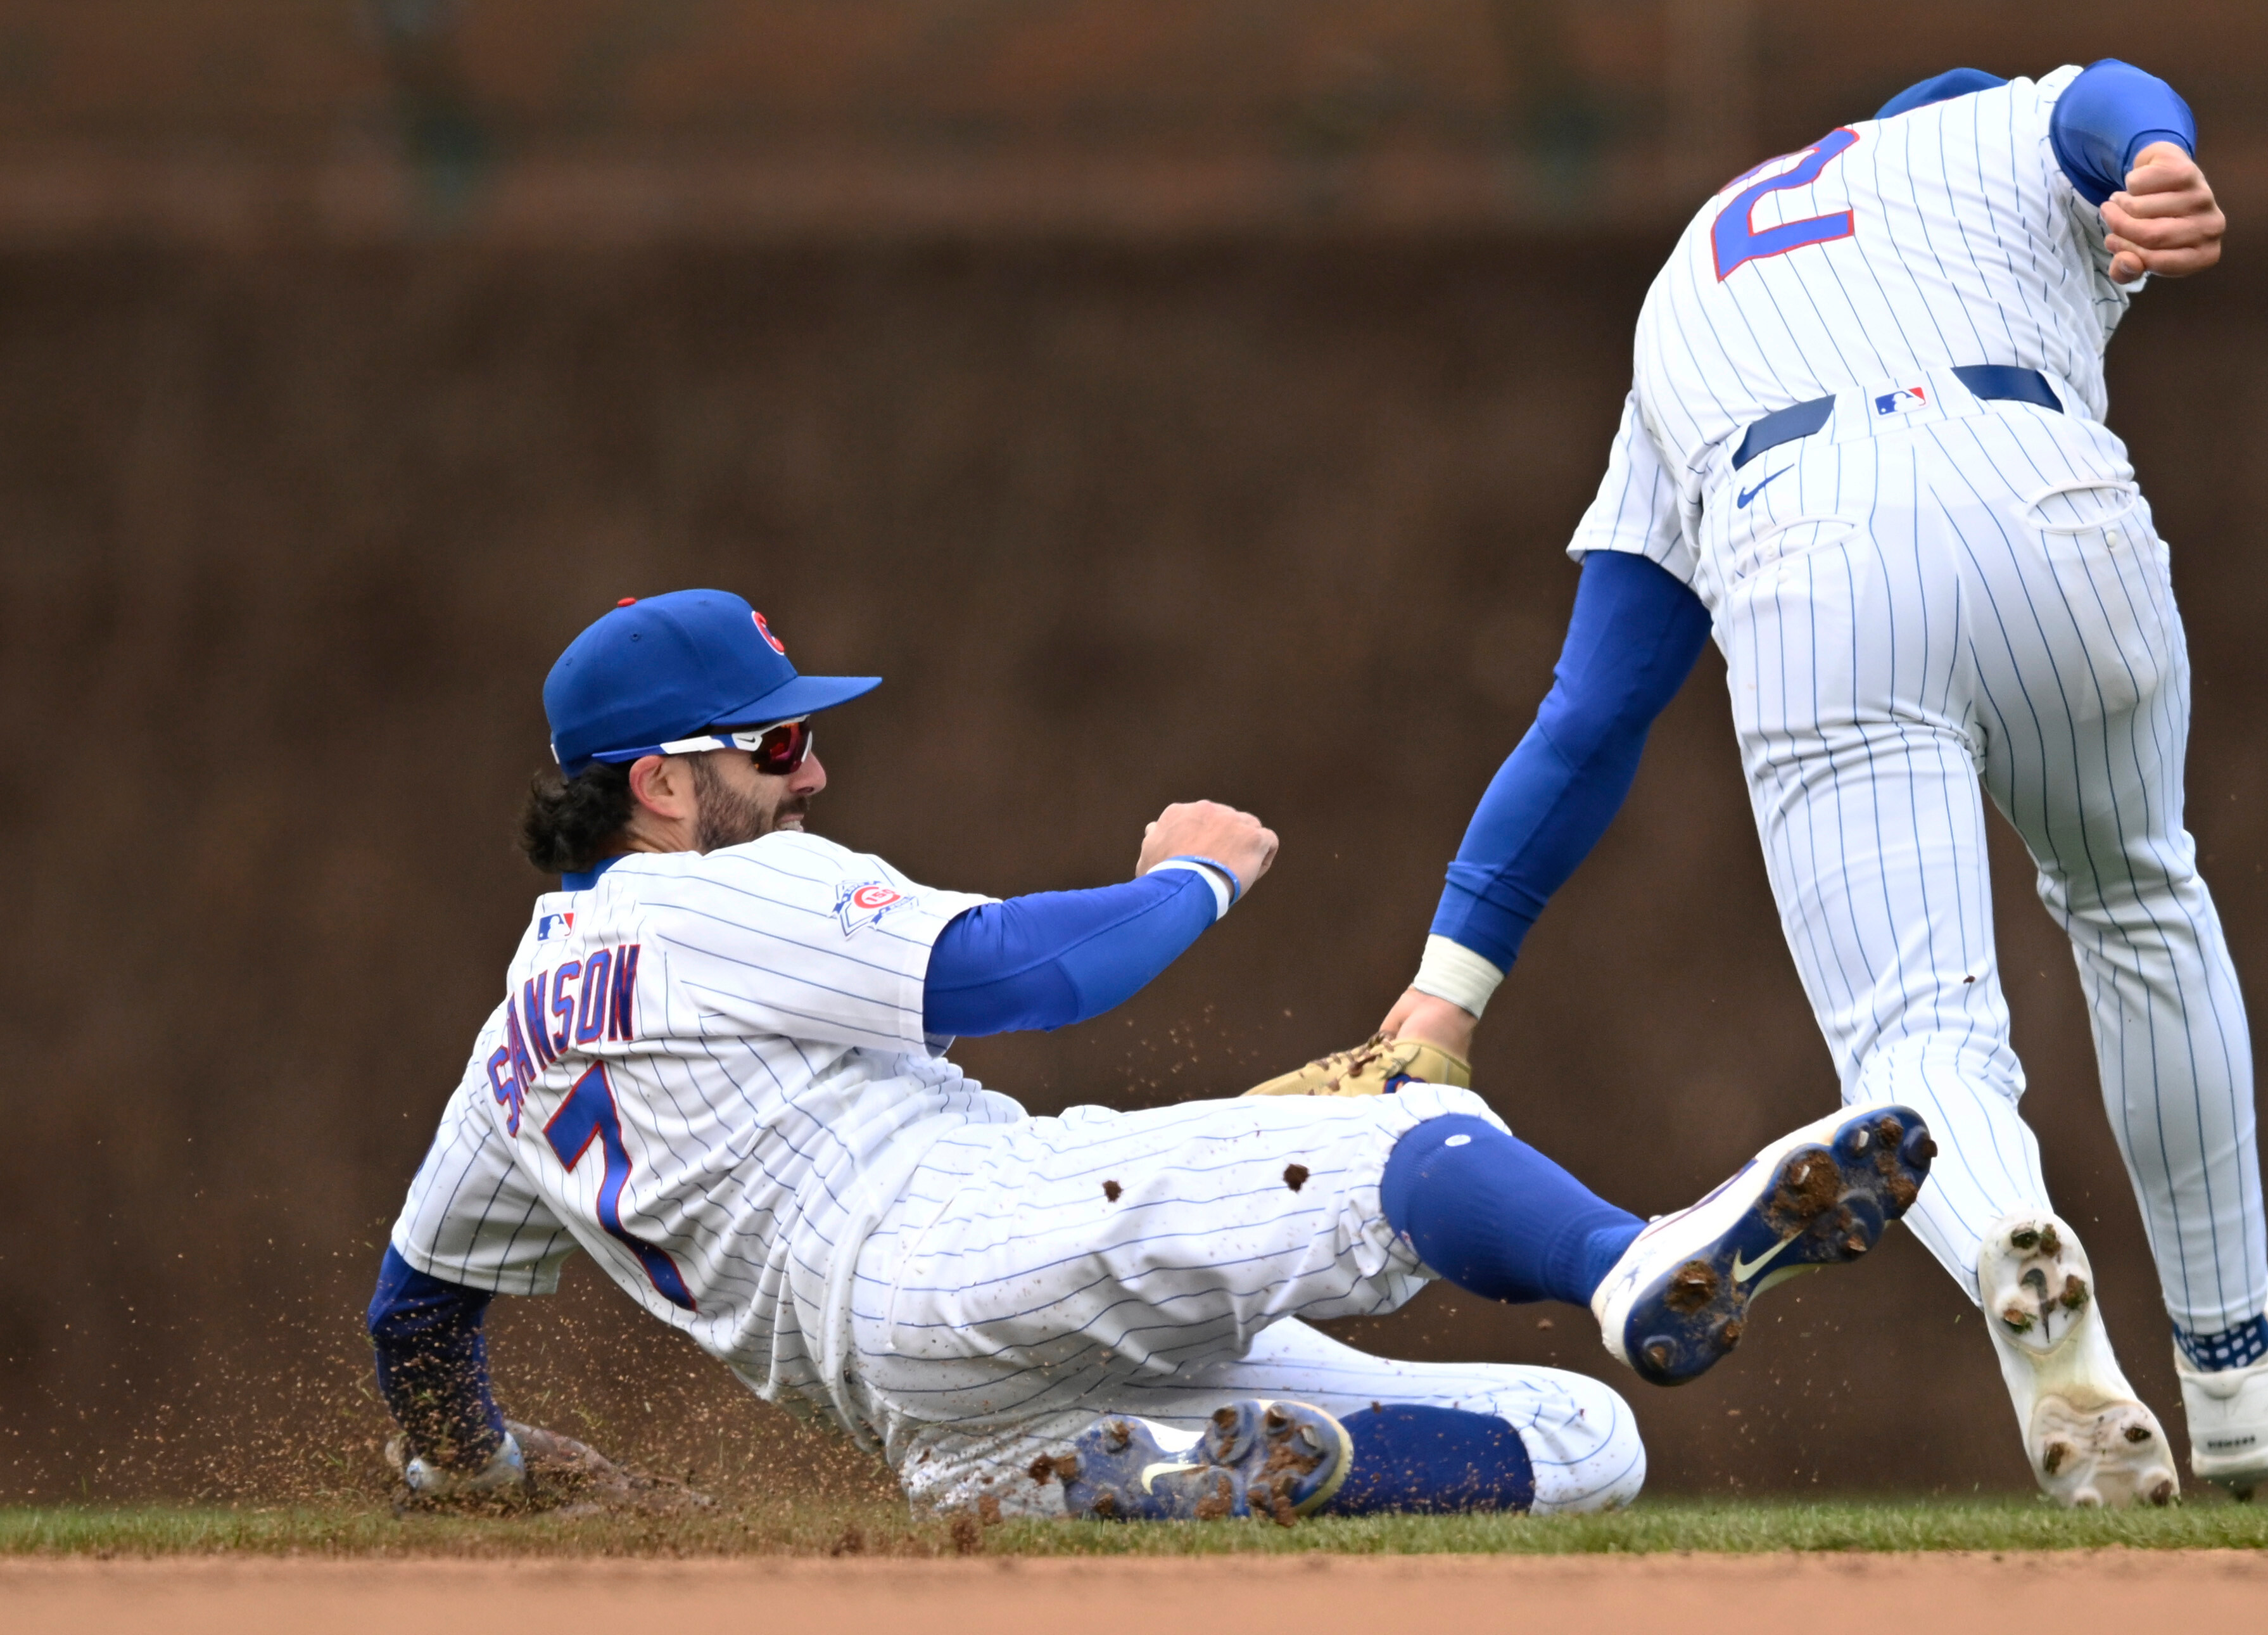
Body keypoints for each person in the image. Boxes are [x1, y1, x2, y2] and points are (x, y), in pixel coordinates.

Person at [1255, 63, 2268, 1506]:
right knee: (2138, 893)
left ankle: (2014, 1231)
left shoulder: (1692, 271)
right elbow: (2105, 102)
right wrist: (2153, 149)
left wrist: (1448, 988)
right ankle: (2234, 1363)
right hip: (2051, 499)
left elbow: (1594, 711)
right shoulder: (1970, 141)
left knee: (1916, 1036)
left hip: (1807, 556)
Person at [368, 589, 1934, 1522]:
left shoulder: (507, 1058)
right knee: (1395, 1143)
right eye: (773, 745)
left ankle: (1143, 1489)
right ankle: (1632, 1263)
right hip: (955, 1234)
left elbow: (414, 1325)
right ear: (656, 784)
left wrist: (486, 1471)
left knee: (1585, 1447)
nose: (813, 769)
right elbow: (1026, 974)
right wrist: (1195, 873)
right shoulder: (702, 893)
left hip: (922, 1412)